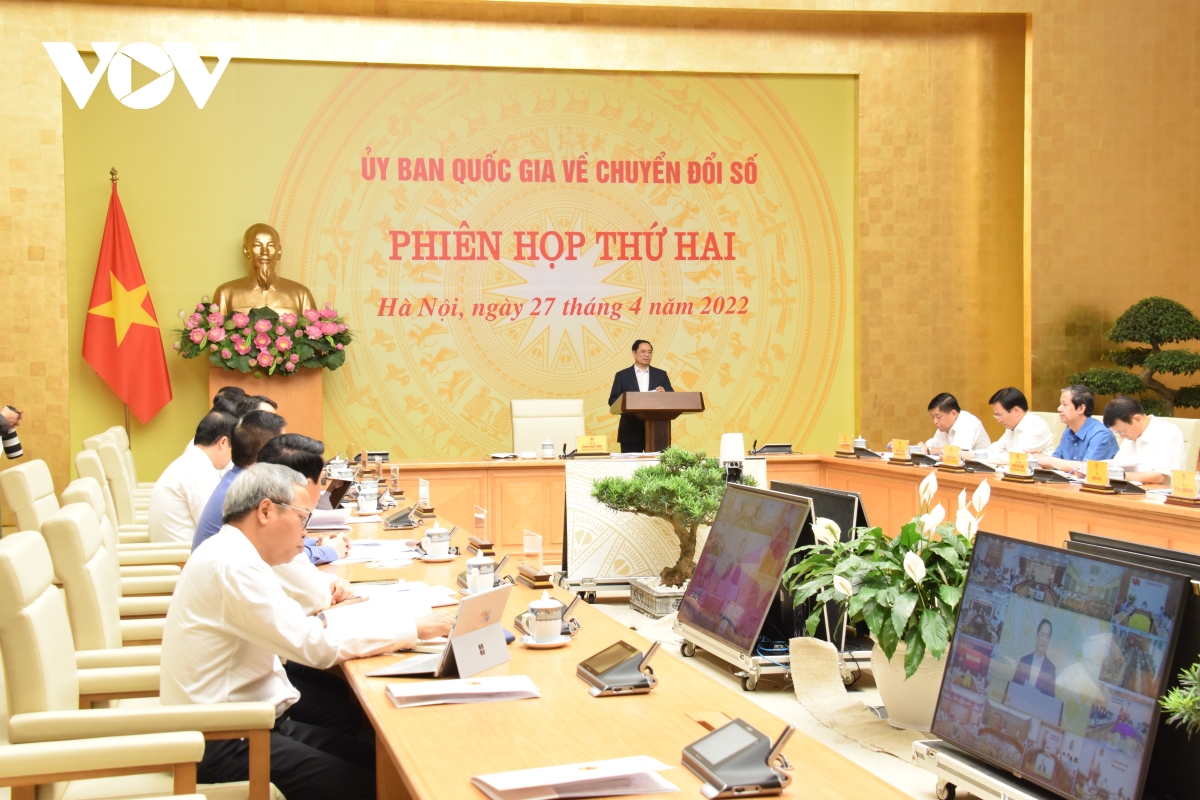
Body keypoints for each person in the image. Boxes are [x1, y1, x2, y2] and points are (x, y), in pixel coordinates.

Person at [160, 463, 454, 800]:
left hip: (246, 725)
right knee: (377, 787)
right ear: (266, 511)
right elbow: (316, 646)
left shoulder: (232, 551)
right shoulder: (236, 566)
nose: (306, 532)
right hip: (225, 743)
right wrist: (413, 629)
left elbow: (302, 629)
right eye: (302, 518)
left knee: (381, 766)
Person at [257, 433, 354, 612]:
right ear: (306, 485)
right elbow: (315, 598)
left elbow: (302, 576)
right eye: (322, 480)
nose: (304, 534)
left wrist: (331, 581)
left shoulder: (262, 506)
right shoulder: (277, 526)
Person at [192, 411, 286, 550]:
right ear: (268, 453)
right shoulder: (247, 492)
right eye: (283, 447)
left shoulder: (236, 480)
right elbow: (278, 550)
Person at [149, 411, 237, 543]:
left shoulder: (190, 461)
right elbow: (216, 527)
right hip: (181, 553)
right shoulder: (199, 469)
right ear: (223, 442)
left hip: (174, 550)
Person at [214, 223, 317, 317]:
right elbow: (215, 328)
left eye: (271, 246)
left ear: (279, 251)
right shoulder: (226, 293)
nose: (265, 252)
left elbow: (313, 330)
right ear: (246, 251)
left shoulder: (301, 295)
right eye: (257, 245)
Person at [607, 339, 674, 453]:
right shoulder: (622, 375)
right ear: (634, 353)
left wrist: (665, 395)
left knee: (659, 464)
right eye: (643, 351)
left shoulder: (661, 374)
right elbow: (613, 401)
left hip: (657, 431)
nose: (647, 355)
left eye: (650, 352)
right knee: (631, 464)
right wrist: (628, 400)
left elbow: (673, 399)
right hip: (630, 431)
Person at [1035, 385, 1119, 472]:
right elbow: (1054, 462)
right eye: (1060, 404)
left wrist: (1049, 460)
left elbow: (1086, 469)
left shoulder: (1101, 434)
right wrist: (1036, 458)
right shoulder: (1068, 432)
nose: (1059, 408)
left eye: (1064, 404)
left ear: (1081, 408)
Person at [1103, 396, 1185, 485]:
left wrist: (1121, 475)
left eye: (1122, 431)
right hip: (1132, 491)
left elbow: (1161, 477)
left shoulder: (1168, 432)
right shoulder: (1130, 438)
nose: (1122, 436)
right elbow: (1117, 465)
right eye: (1117, 432)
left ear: (1137, 419)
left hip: (1161, 492)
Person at [986, 387, 1054, 459]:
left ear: (1016, 411)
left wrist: (988, 457)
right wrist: (979, 455)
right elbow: (995, 449)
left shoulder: (1036, 426)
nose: (998, 420)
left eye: (999, 415)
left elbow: (1018, 458)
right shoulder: (1011, 427)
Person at [920, 393, 990, 454]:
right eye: (933, 417)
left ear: (953, 413)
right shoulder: (944, 427)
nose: (935, 421)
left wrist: (929, 451)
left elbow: (955, 453)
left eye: (938, 417)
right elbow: (927, 447)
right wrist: (924, 448)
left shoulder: (969, 422)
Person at [1012, 619, 1057, 697]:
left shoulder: (1051, 670)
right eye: (1042, 634)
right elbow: (1012, 690)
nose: (1044, 640)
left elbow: (1050, 701)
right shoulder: (1023, 661)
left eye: (1047, 636)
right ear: (1037, 636)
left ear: (1049, 640)